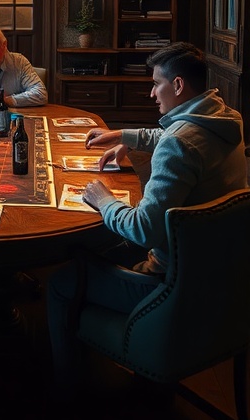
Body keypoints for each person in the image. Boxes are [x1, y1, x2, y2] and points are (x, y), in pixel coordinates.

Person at [46, 41, 248, 385]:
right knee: (97, 246)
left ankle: (66, 386)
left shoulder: (179, 143)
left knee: (59, 280)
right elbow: (176, 134)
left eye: (157, 84)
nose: (152, 93)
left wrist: (103, 199)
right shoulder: (225, 119)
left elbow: (144, 229)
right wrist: (123, 135)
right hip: (222, 277)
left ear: (178, 85)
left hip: (167, 287)